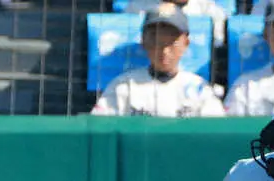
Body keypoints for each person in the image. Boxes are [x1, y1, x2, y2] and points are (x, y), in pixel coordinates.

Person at [91, 3, 226, 117]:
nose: (164, 51)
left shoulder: (199, 88)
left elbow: (219, 135)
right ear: (144, 42)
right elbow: (98, 128)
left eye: (171, 43)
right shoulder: (124, 86)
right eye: (157, 42)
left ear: (186, 44)